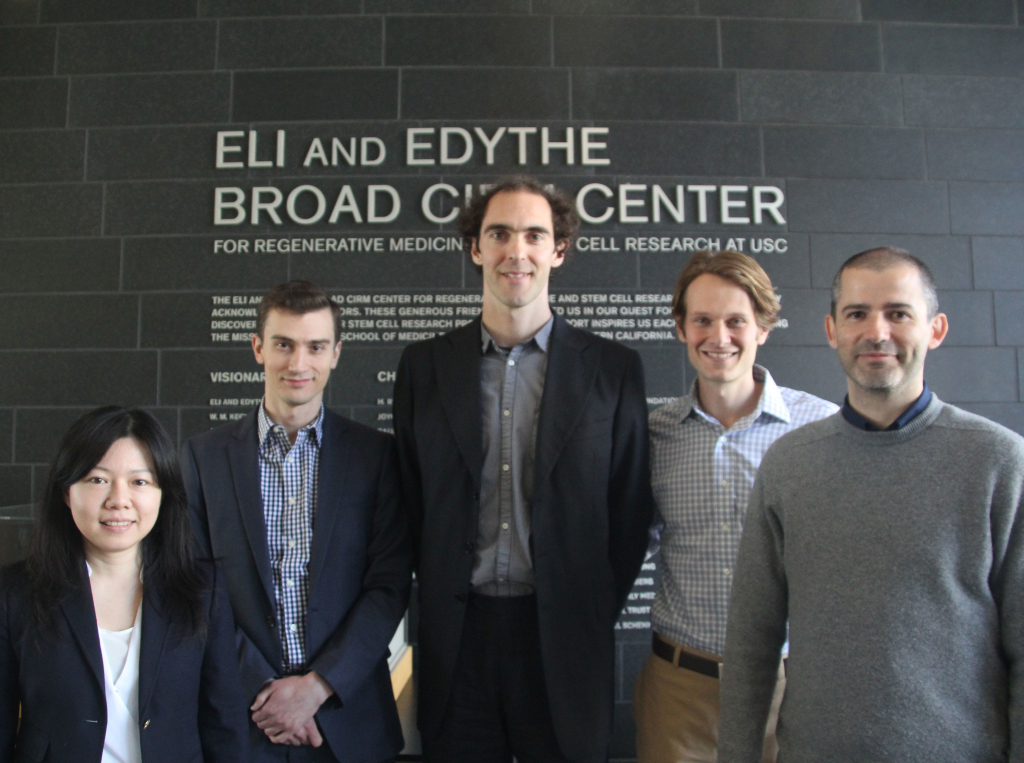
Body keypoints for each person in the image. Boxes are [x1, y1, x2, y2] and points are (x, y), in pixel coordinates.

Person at [718, 247, 1024, 763]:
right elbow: (752, 642)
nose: (876, 332)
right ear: (833, 330)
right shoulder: (790, 464)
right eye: (857, 314)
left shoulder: (998, 461)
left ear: (936, 330)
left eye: (898, 313)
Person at [393, 176, 655, 763]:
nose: (518, 250)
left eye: (535, 234)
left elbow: (630, 512)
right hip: (456, 642)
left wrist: (582, 610)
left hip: (564, 644)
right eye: (500, 233)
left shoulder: (612, 371)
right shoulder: (423, 367)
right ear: (475, 248)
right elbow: (411, 504)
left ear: (558, 251)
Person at [181, 280, 411, 763]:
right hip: (243, 720)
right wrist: (267, 690)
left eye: (315, 347)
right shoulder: (202, 458)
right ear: (258, 349)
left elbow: (388, 586)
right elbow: (196, 585)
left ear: (336, 354)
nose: (298, 363)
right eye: (284, 344)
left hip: (349, 723)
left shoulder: (377, 457)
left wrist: (317, 687)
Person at [634, 251, 837, 763]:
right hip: (681, 693)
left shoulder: (821, 430)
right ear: (680, 328)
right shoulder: (653, 435)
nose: (718, 337)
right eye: (702, 320)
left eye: (736, 321)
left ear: (763, 327)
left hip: (794, 691)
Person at [0, 406, 248, 763]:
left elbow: (224, 726)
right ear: (67, 492)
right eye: (97, 479)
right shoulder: (17, 592)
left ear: (163, 494)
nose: (119, 500)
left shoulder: (201, 591)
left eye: (139, 481)